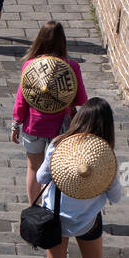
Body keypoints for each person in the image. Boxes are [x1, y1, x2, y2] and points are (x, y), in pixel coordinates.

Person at [35, 98, 122, 258]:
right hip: (88, 221)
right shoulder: (106, 156)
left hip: (55, 218)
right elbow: (116, 196)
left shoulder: (57, 145)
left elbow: (41, 178)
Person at [12, 21, 88, 204]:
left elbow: (22, 99)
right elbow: (81, 100)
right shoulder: (71, 66)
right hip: (61, 127)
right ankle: (54, 207)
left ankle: (33, 208)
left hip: (34, 125)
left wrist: (16, 123)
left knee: (33, 167)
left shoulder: (30, 65)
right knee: (58, 170)